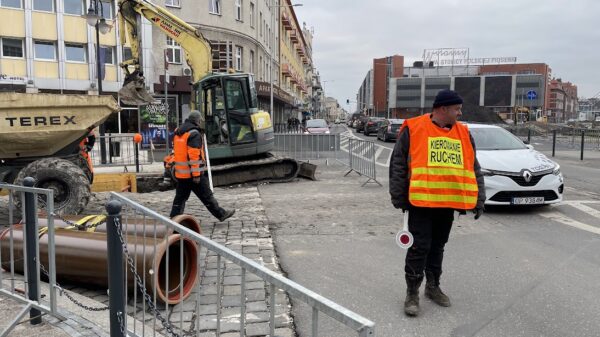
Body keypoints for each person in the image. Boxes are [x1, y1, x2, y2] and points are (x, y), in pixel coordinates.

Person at [389, 89, 485, 317]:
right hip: (420, 203)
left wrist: (479, 198)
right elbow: (399, 163)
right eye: (456, 109)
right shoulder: (414, 128)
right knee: (418, 247)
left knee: (437, 247)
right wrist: (398, 196)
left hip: (447, 203)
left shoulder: (463, 133)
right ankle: (412, 293)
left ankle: (433, 287)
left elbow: (473, 167)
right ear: (443, 109)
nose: (460, 114)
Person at [169, 110, 236, 222]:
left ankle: (174, 218)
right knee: (207, 196)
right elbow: (194, 157)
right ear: (197, 120)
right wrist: (196, 175)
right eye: (200, 120)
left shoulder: (178, 132)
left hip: (181, 174)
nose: (200, 123)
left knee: (180, 198)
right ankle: (221, 214)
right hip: (193, 175)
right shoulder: (194, 134)